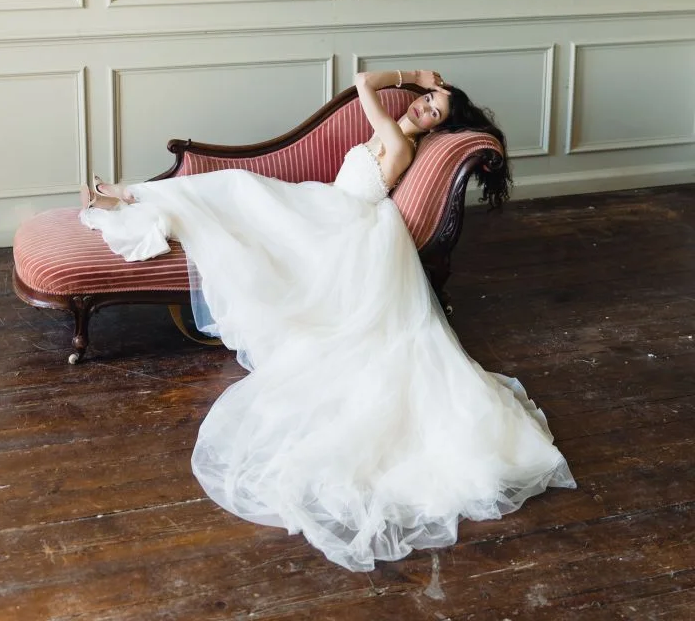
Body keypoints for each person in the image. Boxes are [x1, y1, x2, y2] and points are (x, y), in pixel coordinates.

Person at [80, 69, 575, 572]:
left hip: (337, 223)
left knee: (239, 190)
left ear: (432, 129)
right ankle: (128, 197)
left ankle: (126, 196)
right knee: (239, 190)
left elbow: (364, 82)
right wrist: (424, 86)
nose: (423, 107)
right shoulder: (399, 135)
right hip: (324, 206)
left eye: (434, 112)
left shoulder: (399, 142)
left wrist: (410, 76)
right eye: (426, 99)